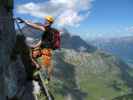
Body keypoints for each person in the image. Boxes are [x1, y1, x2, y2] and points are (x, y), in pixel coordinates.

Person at [17, 16, 58, 83]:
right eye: (45, 21)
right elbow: (42, 41)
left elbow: (35, 26)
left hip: (45, 50)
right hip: (43, 49)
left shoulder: (46, 29)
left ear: (50, 23)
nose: (45, 22)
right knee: (32, 56)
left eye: (47, 21)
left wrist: (24, 21)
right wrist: (34, 47)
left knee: (45, 64)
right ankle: (37, 68)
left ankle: (45, 77)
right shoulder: (49, 31)